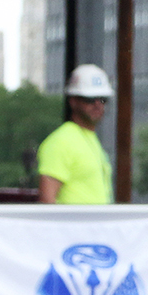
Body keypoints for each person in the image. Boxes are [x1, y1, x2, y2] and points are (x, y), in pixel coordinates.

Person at [37, 64, 114, 204]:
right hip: (74, 225)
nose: (97, 104)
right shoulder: (61, 142)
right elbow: (47, 201)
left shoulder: (89, 138)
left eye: (102, 99)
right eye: (90, 99)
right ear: (73, 101)